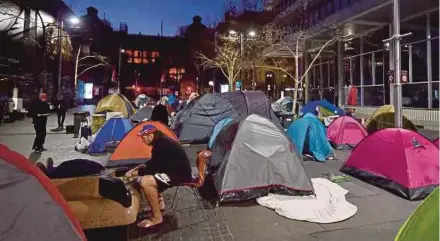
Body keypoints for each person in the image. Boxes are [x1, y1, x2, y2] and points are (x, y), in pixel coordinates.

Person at [124, 124, 192, 228]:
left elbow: (154, 167)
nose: (143, 140)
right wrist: (136, 169)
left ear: (151, 134)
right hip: (175, 171)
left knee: (146, 182)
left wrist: (136, 173)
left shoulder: (161, 144)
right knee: (149, 177)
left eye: (144, 136)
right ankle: (159, 204)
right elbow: (154, 163)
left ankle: (157, 217)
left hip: (180, 175)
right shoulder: (161, 142)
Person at [36, 158, 105, 179]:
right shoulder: (96, 167)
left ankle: (49, 171)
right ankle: (49, 170)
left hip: (62, 171)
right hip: (89, 167)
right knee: (69, 165)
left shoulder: (95, 167)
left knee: (68, 166)